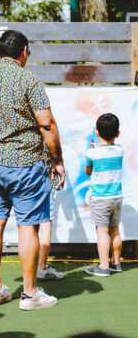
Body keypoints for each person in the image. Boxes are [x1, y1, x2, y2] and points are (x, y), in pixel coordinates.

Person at [0, 29, 65, 311]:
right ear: (24, 52)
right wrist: (57, 160)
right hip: (25, 162)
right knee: (28, 225)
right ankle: (30, 294)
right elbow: (46, 124)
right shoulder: (28, 80)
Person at [85, 113, 123, 277]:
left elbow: (88, 172)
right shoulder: (120, 150)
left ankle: (103, 266)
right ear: (118, 133)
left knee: (102, 232)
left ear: (97, 132)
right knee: (114, 230)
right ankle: (116, 263)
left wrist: (93, 151)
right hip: (117, 197)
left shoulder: (91, 153)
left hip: (100, 198)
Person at [37, 160, 65, 280]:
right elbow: (54, 151)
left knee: (27, 227)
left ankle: (31, 267)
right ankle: (41, 268)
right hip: (46, 181)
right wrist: (58, 164)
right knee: (45, 226)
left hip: (26, 182)